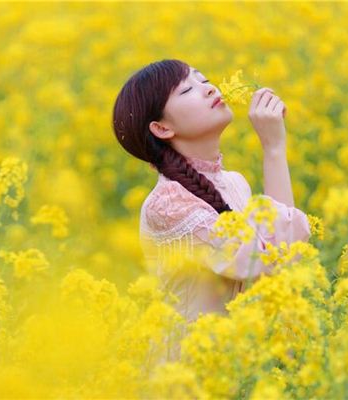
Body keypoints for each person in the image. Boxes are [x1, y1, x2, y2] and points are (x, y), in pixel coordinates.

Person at [112, 59, 312, 329]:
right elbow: (263, 261)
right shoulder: (167, 206)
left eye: (204, 80)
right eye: (186, 90)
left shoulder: (234, 183)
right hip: (193, 355)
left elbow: (283, 257)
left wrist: (274, 147)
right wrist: (273, 147)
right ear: (162, 128)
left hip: (239, 349)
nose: (209, 89)